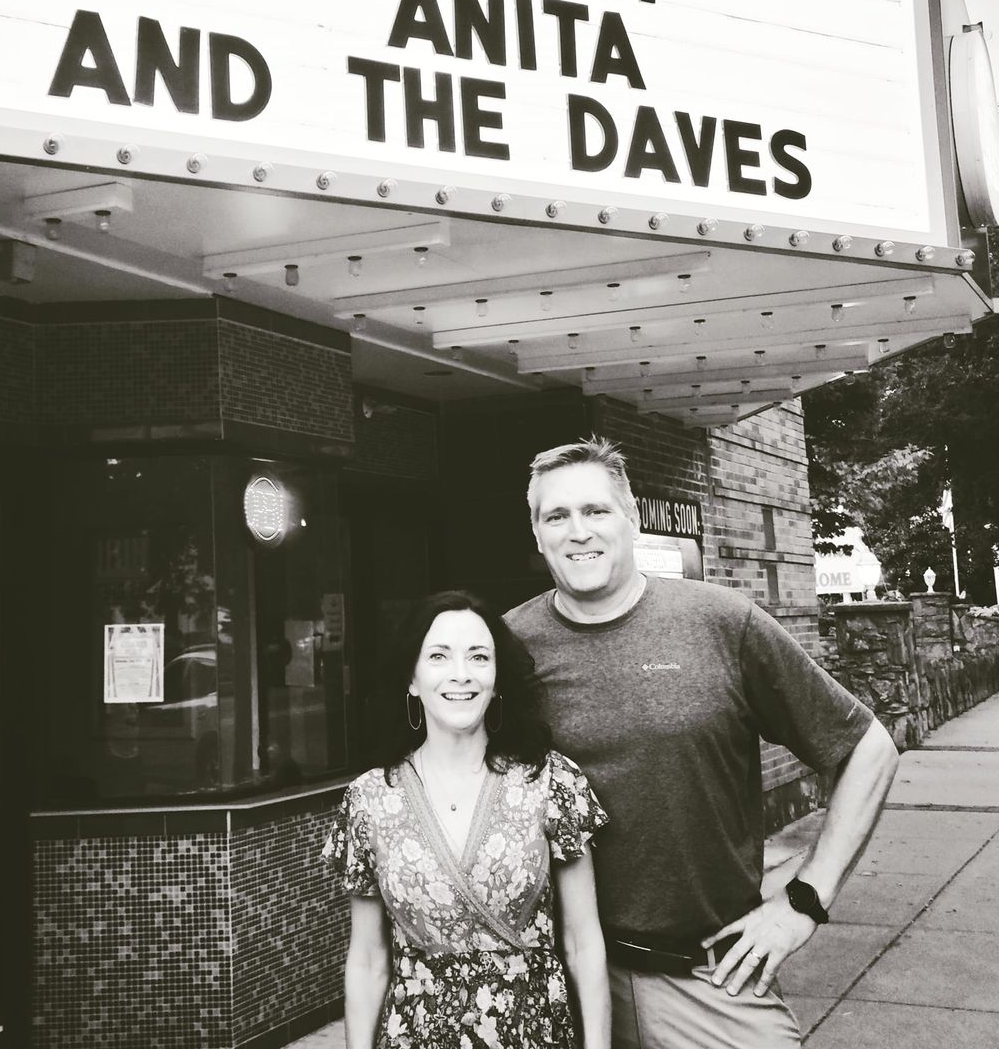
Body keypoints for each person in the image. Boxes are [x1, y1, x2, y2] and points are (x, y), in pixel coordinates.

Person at [505, 437, 899, 1049]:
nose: (578, 531)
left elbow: (868, 748)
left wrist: (804, 900)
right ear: (536, 535)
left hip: (703, 975)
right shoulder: (506, 649)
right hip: (555, 984)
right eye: (556, 516)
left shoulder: (722, 622)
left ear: (632, 517)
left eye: (596, 510)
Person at [323, 590, 611, 1049]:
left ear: (497, 680)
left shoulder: (550, 782)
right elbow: (367, 958)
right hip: (416, 1034)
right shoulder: (370, 799)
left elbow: (582, 941)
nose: (461, 675)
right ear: (412, 680)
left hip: (532, 1031)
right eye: (438, 656)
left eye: (479, 657)